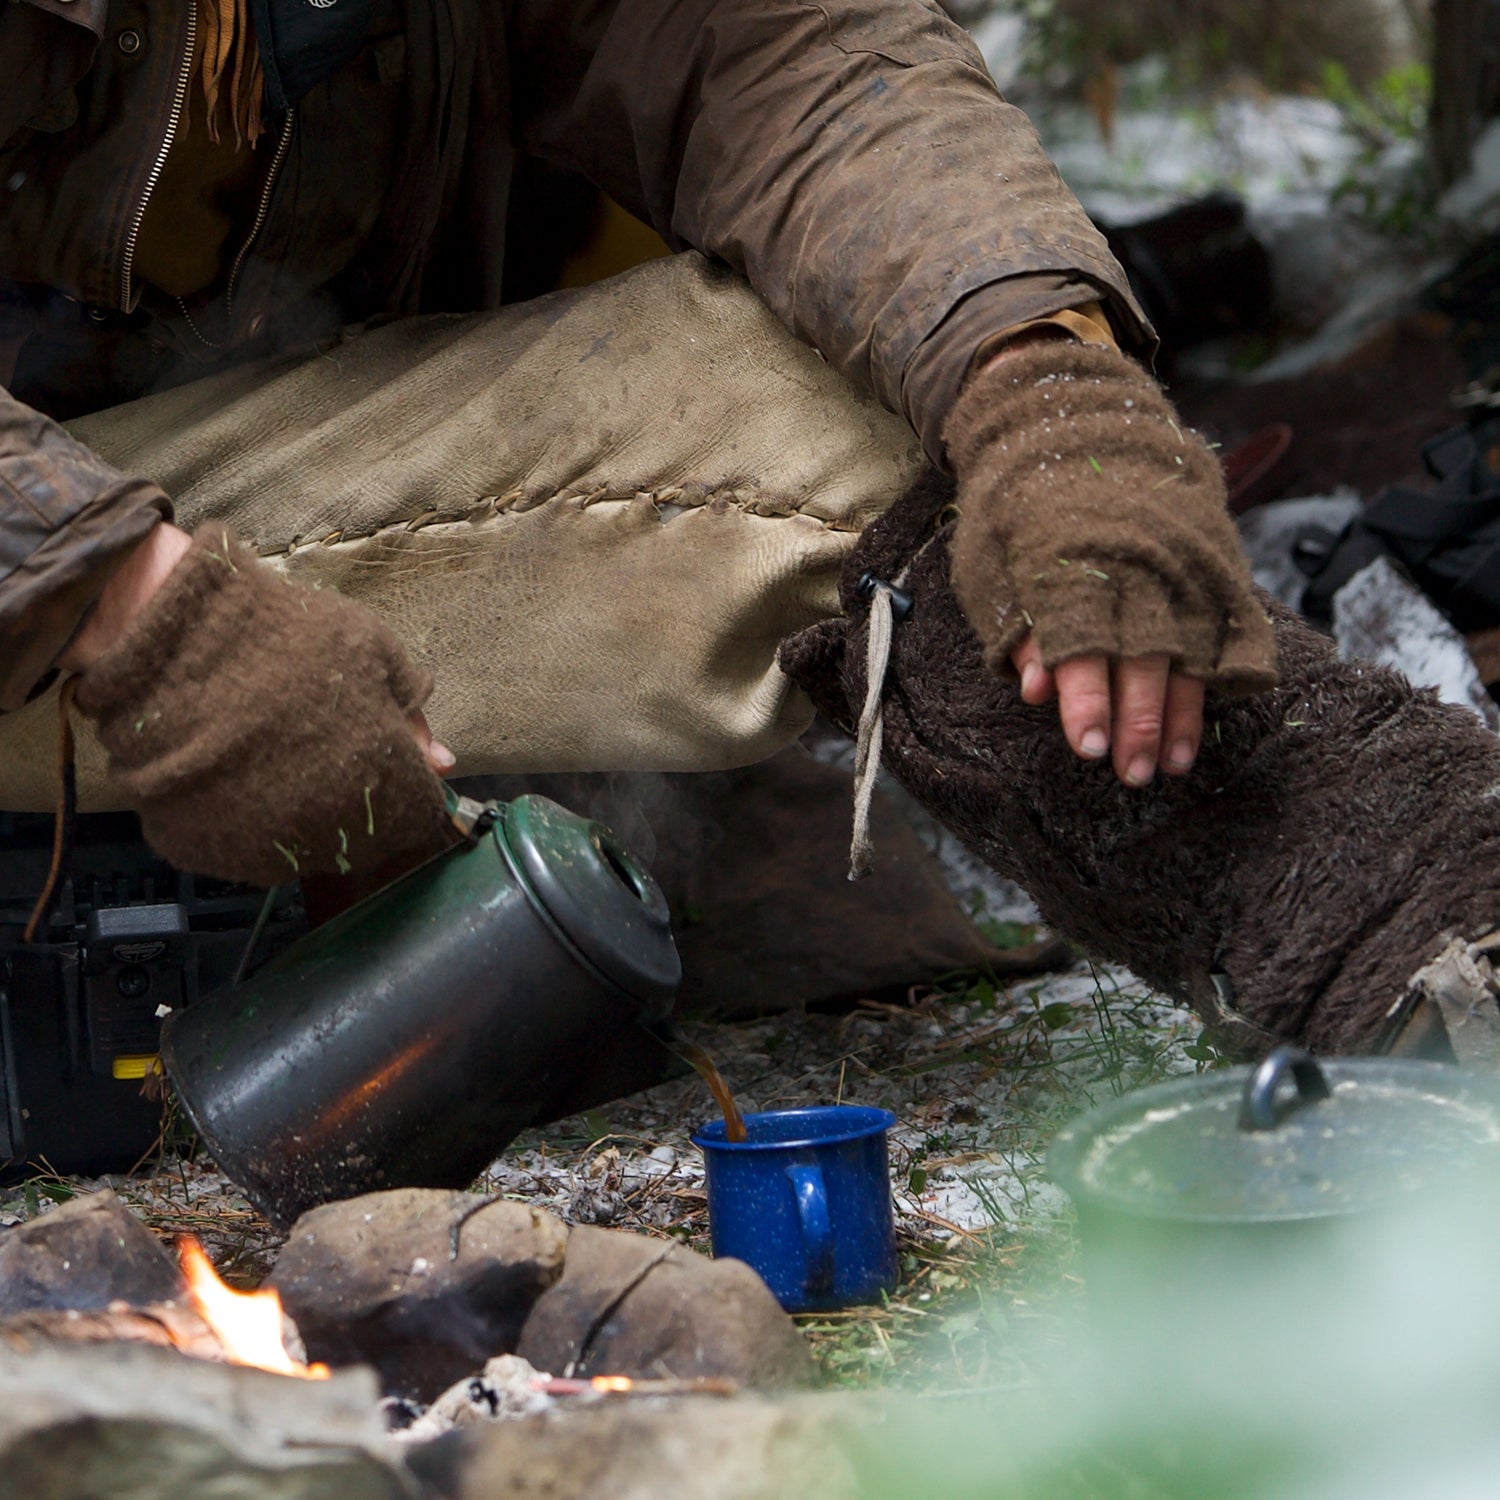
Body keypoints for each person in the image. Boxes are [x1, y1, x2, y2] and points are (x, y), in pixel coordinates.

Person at [0, 0, 1494, 1063]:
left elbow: (783, 49)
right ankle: (1396, 907)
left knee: (905, 385)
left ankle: (1420, 919)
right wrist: (129, 604)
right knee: (802, 449)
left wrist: (1045, 383)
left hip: (220, 493)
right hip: (53, 562)